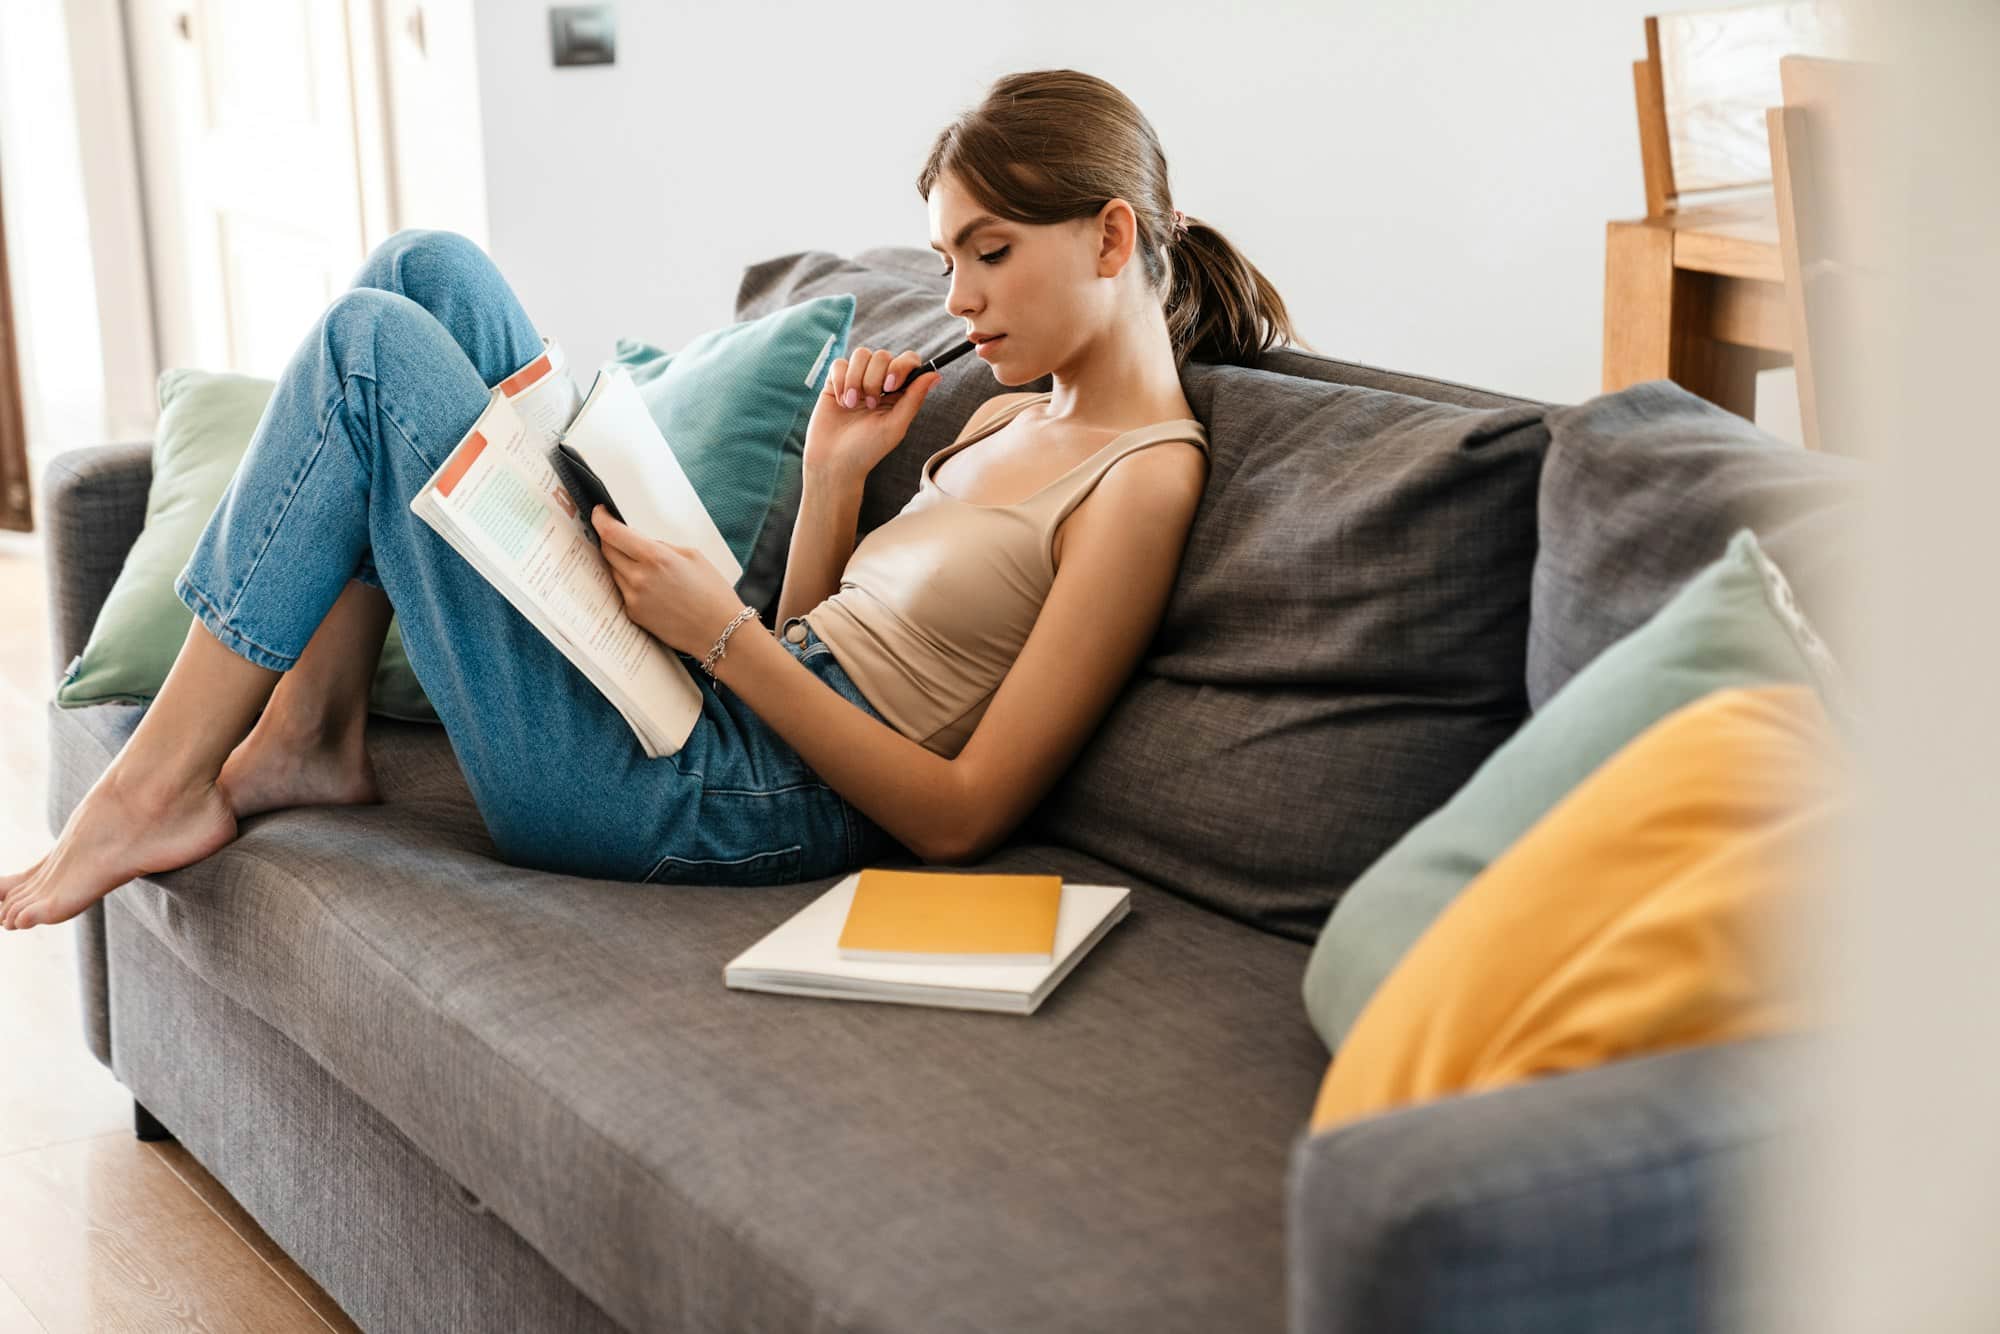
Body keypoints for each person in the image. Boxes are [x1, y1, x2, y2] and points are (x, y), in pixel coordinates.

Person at [1, 67, 1307, 931]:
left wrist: (718, 636)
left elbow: (958, 812)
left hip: (727, 805)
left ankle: (155, 787)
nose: (958, 299)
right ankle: (311, 732)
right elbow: (824, 632)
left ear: (1114, 238)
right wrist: (832, 477)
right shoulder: (1024, 406)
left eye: (990, 254)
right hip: (715, 698)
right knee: (428, 267)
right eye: (945, 259)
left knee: (368, 350)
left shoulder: (1144, 479)